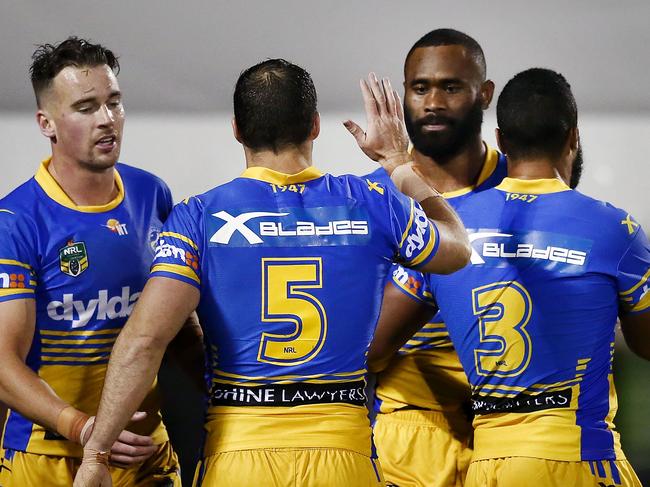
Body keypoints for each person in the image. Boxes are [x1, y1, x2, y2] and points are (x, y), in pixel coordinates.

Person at [72, 59, 471, 486]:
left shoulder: (200, 217)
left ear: (237, 130)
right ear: (315, 126)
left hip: (239, 456)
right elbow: (456, 249)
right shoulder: (372, 202)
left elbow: (145, 339)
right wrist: (397, 163)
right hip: (343, 455)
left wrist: (97, 455)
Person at [373, 68, 649, 486]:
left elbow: (372, 348)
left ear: (500, 140)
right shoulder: (617, 229)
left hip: (493, 465)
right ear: (573, 136)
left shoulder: (452, 234)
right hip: (583, 459)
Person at [0, 37, 189, 486]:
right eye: (86, 108)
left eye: (114, 103)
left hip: (144, 452)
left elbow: (175, 326)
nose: (107, 120)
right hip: (49, 456)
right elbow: (3, 364)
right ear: (47, 123)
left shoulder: (152, 195)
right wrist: (84, 430)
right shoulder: (16, 222)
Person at [346, 28, 506, 487]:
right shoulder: (369, 199)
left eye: (450, 87)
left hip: (511, 429)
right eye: (420, 88)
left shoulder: (523, 187)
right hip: (407, 433)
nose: (433, 102)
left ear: (485, 93)